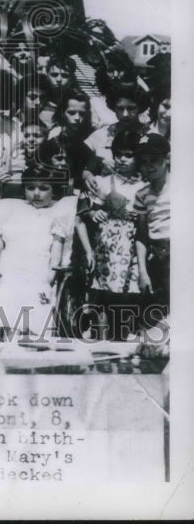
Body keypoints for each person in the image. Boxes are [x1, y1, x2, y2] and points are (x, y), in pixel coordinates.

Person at [0, 171, 75, 340]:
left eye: (43, 188)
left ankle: (12, 337)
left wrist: (49, 281)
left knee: (23, 293)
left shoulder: (56, 218)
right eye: (30, 188)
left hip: (35, 273)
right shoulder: (16, 213)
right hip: (8, 267)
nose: (36, 193)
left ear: (53, 191)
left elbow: (56, 255)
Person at [74, 130, 146, 339]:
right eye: (119, 154)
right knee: (105, 293)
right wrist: (94, 213)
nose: (122, 159)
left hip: (133, 245)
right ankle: (103, 340)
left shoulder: (144, 185)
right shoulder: (104, 182)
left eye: (129, 154)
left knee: (128, 293)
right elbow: (84, 213)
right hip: (108, 244)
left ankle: (123, 338)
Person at [134, 133, 170, 324]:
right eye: (144, 161)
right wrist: (142, 271)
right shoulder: (142, 195)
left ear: (168, 158)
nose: (149, 166)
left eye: (154, 160)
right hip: (156, 256)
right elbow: (141, 235)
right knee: (155, 316)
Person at [84, 82, 149, 174]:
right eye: (120, 108)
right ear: (113, 108)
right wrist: (87, 174)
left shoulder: (150, 135)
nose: (125, 114)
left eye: (131, 108)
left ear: (140, 107)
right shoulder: (101, 135)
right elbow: (82, 164)